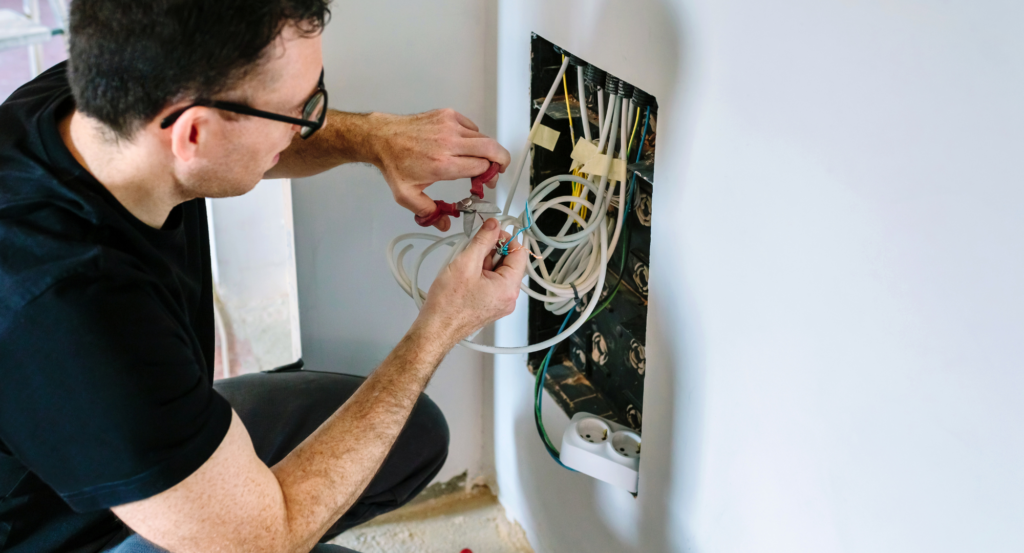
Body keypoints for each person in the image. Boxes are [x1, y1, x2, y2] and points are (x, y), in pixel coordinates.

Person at [0, 1, 526, 552]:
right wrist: (439, 328)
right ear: (193, 134)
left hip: (114, 430)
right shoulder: (70, 314)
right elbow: (262, 542)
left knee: (412, 434)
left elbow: (251, 136)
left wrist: (373, 139)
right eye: (299, 110)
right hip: (63, 532)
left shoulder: (108, 95)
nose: (311, 124)